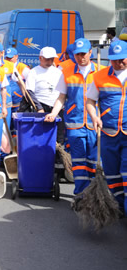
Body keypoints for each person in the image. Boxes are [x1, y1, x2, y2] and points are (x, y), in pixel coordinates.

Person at [45, 39, 101, 195]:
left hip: (94, 123)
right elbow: (62, 97)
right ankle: (81, 194)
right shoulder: (67, 73)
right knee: (78, 161)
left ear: (90, 53)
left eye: (83, 54)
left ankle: (94, 192)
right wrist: (54, 113)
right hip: (75, 122)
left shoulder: (100, 72)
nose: (80, 57)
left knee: (93, 161)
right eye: (77, 55)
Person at [85, 40, 127, 214]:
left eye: (122, 59)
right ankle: (118, 206)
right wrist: (94, 116)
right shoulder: (100, 76)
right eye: (115, 60)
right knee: (112, 174)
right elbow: (90, 101)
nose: (119, 63)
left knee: (126, 171)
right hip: (108, 133)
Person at [4, 47, 30, 112]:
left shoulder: (23, 68)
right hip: (6, 102)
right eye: (7, 58)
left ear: (16, 57)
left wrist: (27, 98)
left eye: (11, 58)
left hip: (18, 101)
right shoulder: (2, 67)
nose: (8, 60)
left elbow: (29, 84)